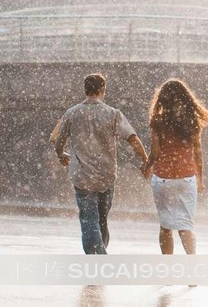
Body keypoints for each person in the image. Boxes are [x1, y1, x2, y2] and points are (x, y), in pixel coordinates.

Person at [55, 73, 149, 254]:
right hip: (106, 176)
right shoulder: (113, 114)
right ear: (102, 89)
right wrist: (145, 160)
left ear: (85, 90)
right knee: (102, 219)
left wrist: (61, 155)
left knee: (89, 219)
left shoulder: (72, 113)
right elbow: (133, 138)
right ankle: (100, 253)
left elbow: (59, 141)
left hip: (82, 176)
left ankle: (96, 257)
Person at [141, 78, 208, 255]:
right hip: (186, 178)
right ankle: (191, 270)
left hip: (163, 178)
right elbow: (198, 153)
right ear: (185, 98)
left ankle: (169, 271)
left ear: (162, 98)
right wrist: (200, 178)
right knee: (185, 225)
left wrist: (147, 166)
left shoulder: (158, 121)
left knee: (166, 226)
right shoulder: (192, 122)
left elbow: (155, 152)